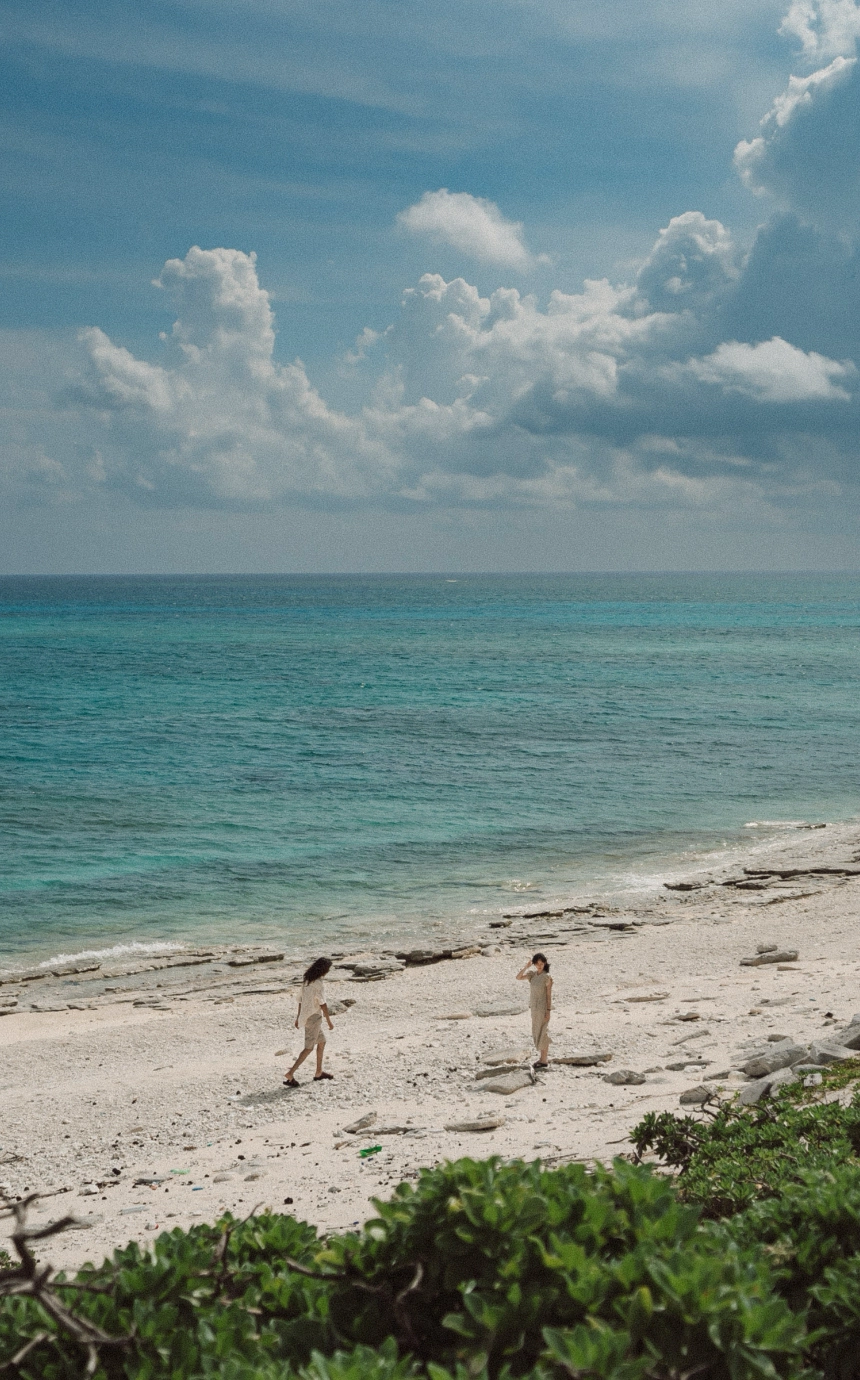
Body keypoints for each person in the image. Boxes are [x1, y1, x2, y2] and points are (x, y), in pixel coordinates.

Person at [284, 957, 334, 1087]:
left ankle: (318, 1072)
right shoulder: (318, 983)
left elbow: (300, 1000)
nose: (328, 971)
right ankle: (290, 1073)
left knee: (322, 1042)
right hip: (314, 1018)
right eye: (328, 969)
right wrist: (329, 1021)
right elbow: (323, 1004)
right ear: (324, 969)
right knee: (308, 1047)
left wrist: (298, 1017)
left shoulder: (307, 980)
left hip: (307, 1017)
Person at [516, 952, 552, 1068]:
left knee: (543, 1032)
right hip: (534, 1008)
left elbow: (548, 995)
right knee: (537, 1031)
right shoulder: (532, 975)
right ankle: (542, 1058)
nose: (539, 966)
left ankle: (544, 1059)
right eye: (537, 964)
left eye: (541, 963)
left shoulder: (547, 977)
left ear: (545, 963)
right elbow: (518, 977)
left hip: (542, 1008)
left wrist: (548, 1011)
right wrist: (526, 966)